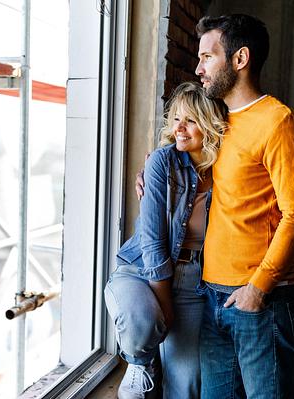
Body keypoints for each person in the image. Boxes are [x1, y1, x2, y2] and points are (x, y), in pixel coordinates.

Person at [137, 14, 294, 398]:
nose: (199, 69)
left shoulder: (279, 123)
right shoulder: (219, 122)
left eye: (207, 57)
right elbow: (199, 171)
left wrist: (258, 288)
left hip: (260, 300)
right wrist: (155, 174)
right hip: (213, 295)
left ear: (240, 59)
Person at [104, 81, 227, 399]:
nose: (179, 129)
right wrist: (165, 303)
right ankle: (141, 362)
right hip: (143, 272)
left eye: (190, 120)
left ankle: (153, 362)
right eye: (175, 119)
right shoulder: (163, 162)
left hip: (195, 283)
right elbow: (153, 239)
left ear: (211, 124)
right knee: (143, 323)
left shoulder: (229, 172)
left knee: (186, 386)